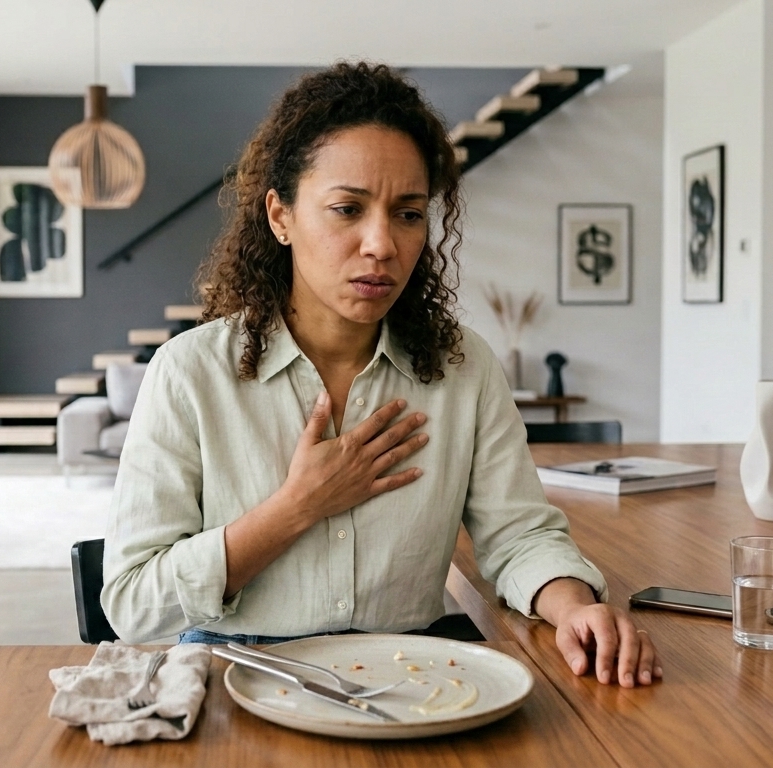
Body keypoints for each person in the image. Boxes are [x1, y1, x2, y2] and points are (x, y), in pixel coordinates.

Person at [101, 62, 661, 688]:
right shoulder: (190, 372)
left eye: (408, 214)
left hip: (408, 678)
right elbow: (133, 603)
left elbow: (521, 536)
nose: (382, 244)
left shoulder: (463, 368)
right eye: (347, 209)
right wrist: (295, 508)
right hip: (236, 675)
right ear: (280, 216)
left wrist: (575, 607)